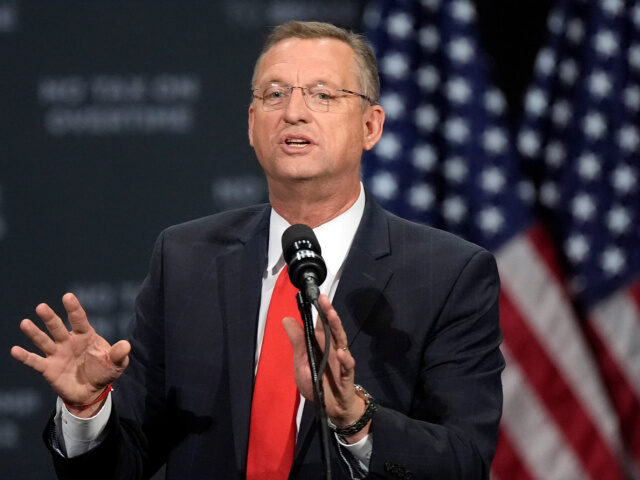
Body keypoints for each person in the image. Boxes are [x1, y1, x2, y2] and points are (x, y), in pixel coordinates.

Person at [11, 21, 504, 479]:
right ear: (251, 125)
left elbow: (465, 460)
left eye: (323, 94)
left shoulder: (449, 275)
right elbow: (125, 461)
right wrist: (88, 411)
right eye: (274, 94)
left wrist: (357, 421)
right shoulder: (185, 259)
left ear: (371, 126)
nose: (293, 111)